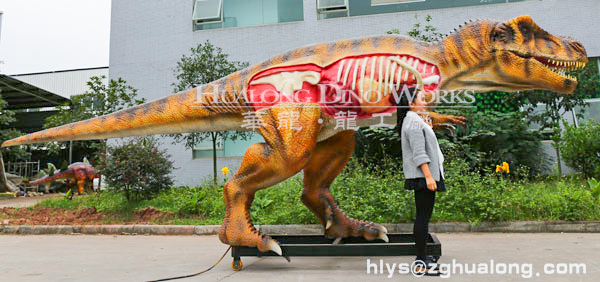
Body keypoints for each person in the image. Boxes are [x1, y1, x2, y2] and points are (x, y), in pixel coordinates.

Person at [396, 89, 446, 276]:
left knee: (423, 217)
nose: (425, 103)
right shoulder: (414, 123)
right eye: (422, 100)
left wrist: (428, 127)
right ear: (412, 104)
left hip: (424, 176)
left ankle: (423, 258)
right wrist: (428, 177)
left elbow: (424, 146)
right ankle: (421, 260)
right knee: (422, 218)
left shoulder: (415, 121)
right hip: (423, 177)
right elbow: (419, 154)